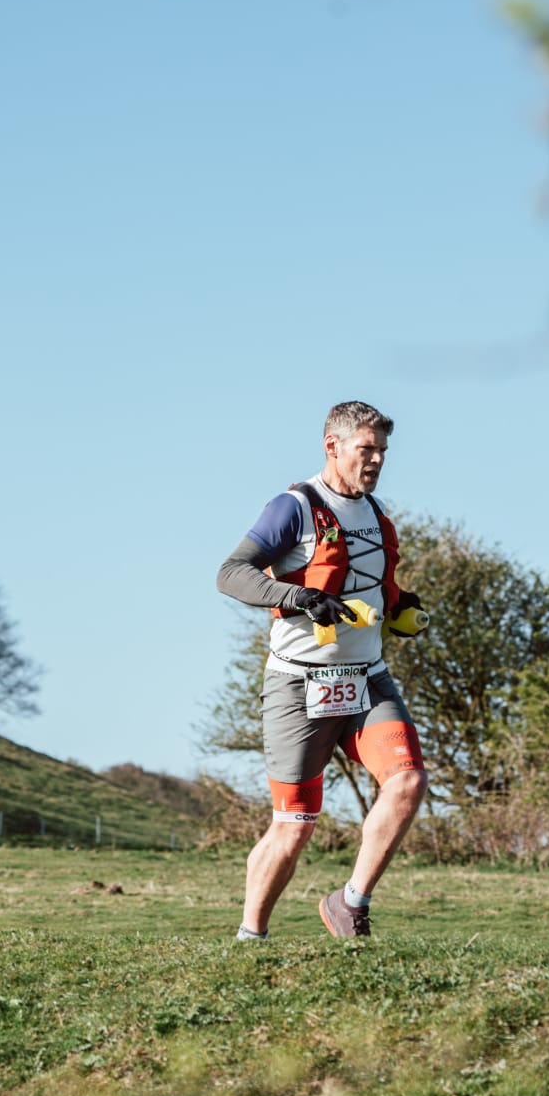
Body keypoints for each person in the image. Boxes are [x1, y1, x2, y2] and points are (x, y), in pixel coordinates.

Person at [216, 401, 428, 940]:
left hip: (366, 679)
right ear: (332, 447)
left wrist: (398, 604)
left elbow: (369, 586)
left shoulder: (377, 513)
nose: (377, 460)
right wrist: (302, 597)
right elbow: (231, 574)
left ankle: (349, 903)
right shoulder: (295, 507)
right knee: (294, 825)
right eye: (366, 449)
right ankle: (251, 936)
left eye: (382, 450)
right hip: (297, 683)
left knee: (407, 781)